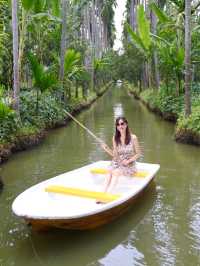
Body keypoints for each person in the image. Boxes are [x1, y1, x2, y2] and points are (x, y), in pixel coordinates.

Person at [100, 116, 141, 196]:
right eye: (118, 124)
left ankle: (108, 195)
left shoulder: (133, 138)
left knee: (115, 172)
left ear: (126, 124)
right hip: (117, 162)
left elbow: (138, 153)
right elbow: (115, 156)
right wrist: (107, 149)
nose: (120, 126)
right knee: (108, 172)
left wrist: (128, 161)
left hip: (129, 164)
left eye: (122, 124)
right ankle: (102, 194)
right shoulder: (115, 138)